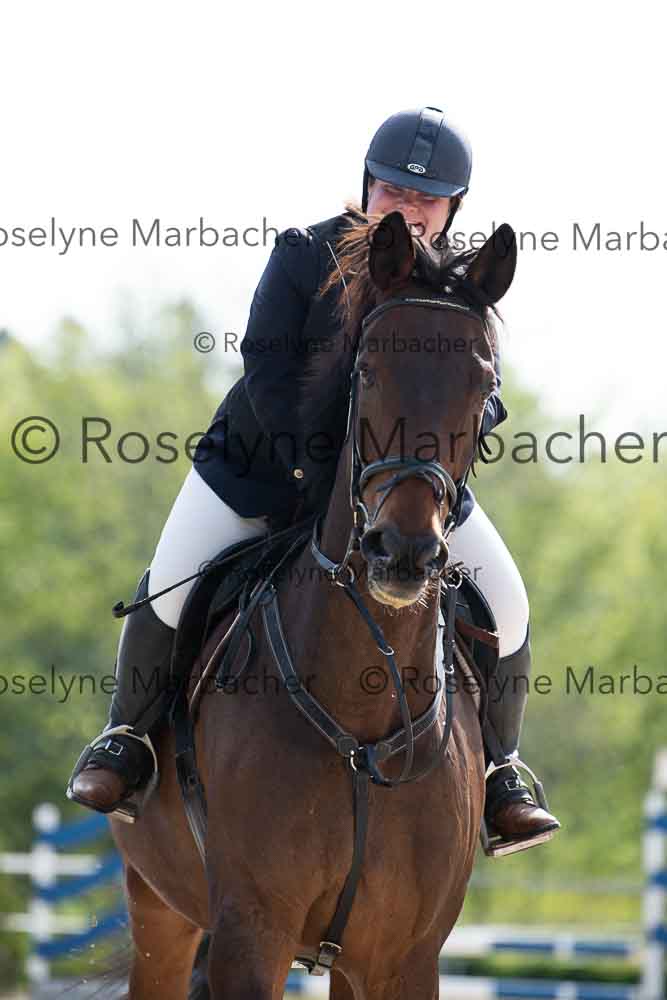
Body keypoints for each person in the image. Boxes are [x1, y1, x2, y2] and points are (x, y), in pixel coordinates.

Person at [67, 106, 560, 855]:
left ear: (454, 206)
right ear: (367, 185)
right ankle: (125, 739)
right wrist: (318, 476)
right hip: (262, 469)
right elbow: (266, 369)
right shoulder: (305, 253)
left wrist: (440, 465)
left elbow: (482, 393)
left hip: (405, 487)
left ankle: (499, 771)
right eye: (394, 190)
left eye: (427, 199)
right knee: (168, 587)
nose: (410, 208)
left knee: (511, 605)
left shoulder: (459, 286)